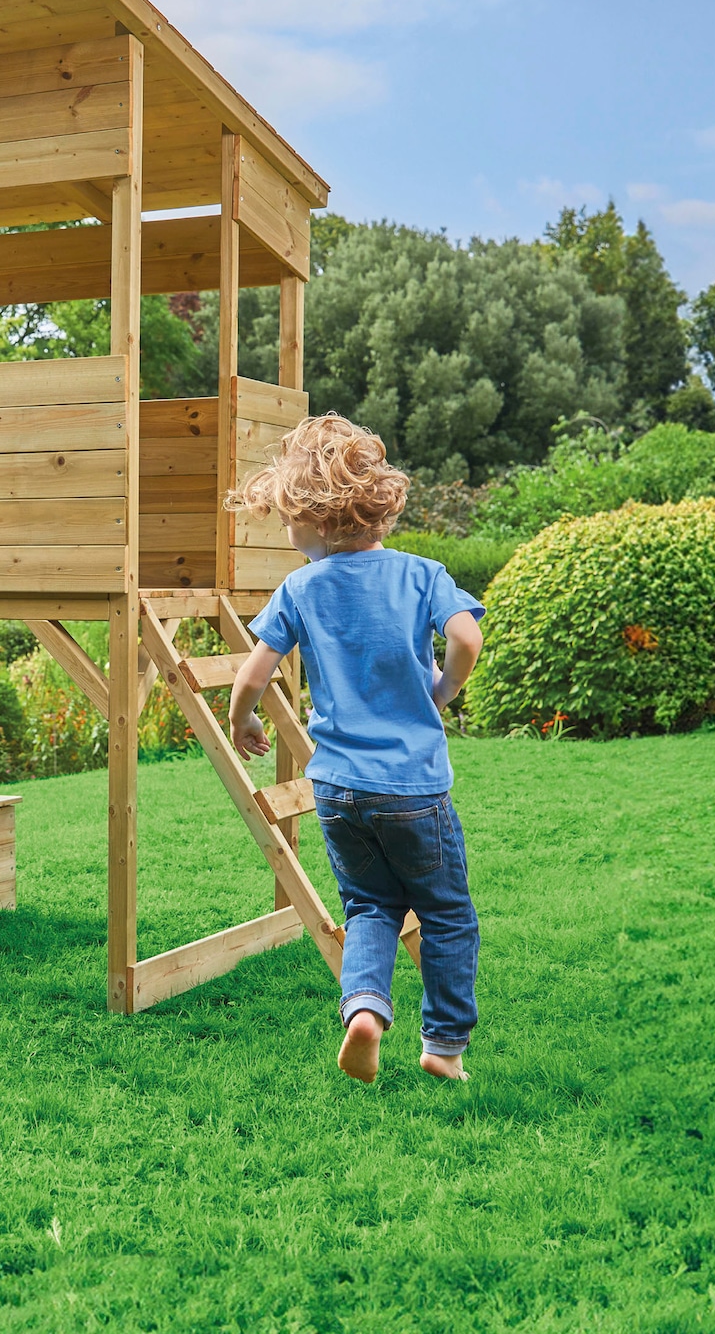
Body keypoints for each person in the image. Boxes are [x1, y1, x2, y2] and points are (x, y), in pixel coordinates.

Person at [226, 414, 486, 1084]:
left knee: (369, 907)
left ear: (316, 522)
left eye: (288, 520)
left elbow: (252, 675)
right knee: (446, 915)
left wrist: (242, 723)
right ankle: (444, 1046)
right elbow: (467, 640)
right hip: (413, 787)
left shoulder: (300, 588)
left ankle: (365, 1012)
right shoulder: (422, 575)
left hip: (337, 788)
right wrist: (444, 688)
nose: (287, 535)